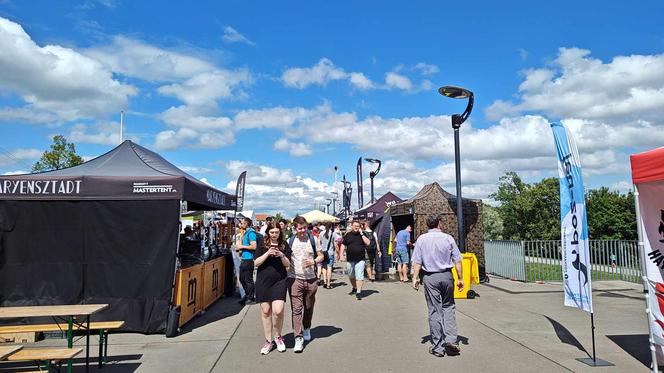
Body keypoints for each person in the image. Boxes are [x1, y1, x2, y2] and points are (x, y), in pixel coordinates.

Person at [411, 215, 464, 357]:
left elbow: (417, 262)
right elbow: (458, 260)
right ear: (439, 223)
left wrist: (415, 278)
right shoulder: (448, 238)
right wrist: (460, 278)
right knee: (448, 307)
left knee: (435, 310)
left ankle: (438, 347)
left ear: (428, 225)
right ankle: (451, 340)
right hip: (447, 276)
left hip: (430, 277)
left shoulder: (421, 239)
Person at [287, 216, 324, 353]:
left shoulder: (314, 239)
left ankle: (307, 327)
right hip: (294, 278)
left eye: (304, 227)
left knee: (308, 306)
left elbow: (321, 255)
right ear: (295, 229)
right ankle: (298, 337)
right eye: (299, 228)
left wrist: (313, 262)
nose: (302, 230)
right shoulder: (290, 241)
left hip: (311, 279)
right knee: (296, 309)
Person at [254, 222, 292, 355]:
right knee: (266, 311)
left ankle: (278, 336)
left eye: (276, 232)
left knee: (278, 310)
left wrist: (281, 255)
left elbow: (288, 264)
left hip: (279, 280)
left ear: (280, 232)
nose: (274, 235)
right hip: (263, 280)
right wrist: (268, 253)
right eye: (272, 232)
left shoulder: (284, 244)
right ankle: (268, 340)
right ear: (268, 233)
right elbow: (256, 263)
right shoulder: (261, 244)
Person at [341, 220, 371, 300]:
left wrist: (361, 234)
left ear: (360, 227)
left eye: (358, 226)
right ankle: (354, 287)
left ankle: (358, 292)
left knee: (359, 276)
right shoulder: (348, 235)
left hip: (360, 259)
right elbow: (343, 245)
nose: (356, 227)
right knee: (351, 275)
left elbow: (368, 243)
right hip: (350, 259)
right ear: (351, 226)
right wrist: (341, 255)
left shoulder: (363, 234)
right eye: (355, 226)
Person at [236, 217, 257, 305]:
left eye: (242, 223)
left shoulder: (251, 233)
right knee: (242, 279)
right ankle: (247, 294)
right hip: (244, 259)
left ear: (246, 223)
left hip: (249, 259)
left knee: (248, 280)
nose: (240, 224)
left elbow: (254, 246)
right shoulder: (245, 233)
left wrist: (242, 247)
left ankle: (251, 297)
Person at [319, 222, 340, 289]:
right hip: (330, 253)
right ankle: (328, 284)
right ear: (331, 227)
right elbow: (336, 244)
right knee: (329, 268)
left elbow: (319, 242)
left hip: (323, 253)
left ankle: (325, 282)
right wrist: (338, 253)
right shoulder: (333, 233)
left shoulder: (321, 233)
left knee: (324, 267)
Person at [230, 227, 246, 300]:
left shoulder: (242, 234)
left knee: (240, 273)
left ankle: (244, 293)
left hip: (239, 254)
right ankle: (243, 292)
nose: (236, 228)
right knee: (239, 273)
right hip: (237, 253)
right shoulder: (236, 235)